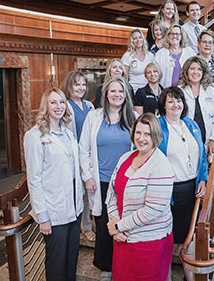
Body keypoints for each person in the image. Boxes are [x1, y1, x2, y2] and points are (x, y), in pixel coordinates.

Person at [79, 77, 137, 281]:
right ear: (105, 94)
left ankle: (126, 264)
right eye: (113, 91)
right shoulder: (94, 117)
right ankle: (106, 266)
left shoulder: (133, 117)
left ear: (126, 94)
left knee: (125, 223)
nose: (117, 94)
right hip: (101, 181)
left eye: (121, 91)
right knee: (104, 224)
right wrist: (87, 177)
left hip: (126, 182)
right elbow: (83, 149)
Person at [106, 113, 174, 281]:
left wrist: (119, 226)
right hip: (123, 240)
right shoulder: (125, 157)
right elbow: (111, 193)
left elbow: (153, 209)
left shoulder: (161, 165)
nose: (141, 138)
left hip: (149, 244)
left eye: (147, 134)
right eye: (138, 133)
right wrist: (113, 224)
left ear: (155, 136)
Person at [24, 87, 84, 281]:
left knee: (71, 258)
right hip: (54, 210)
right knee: (56, 262)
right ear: (45, 106)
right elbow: (34, 179)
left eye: (62, 102)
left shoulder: (67, 131)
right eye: (53, 102)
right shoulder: (35, 136)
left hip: (74, 207)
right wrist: (42, 216)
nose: (59, 106)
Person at [157, 86, 208, 281]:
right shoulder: (158, 126)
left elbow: (202, 154)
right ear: (163, 105)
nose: (175, 105)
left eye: (178, 101)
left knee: (188, 239)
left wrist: (202, 178)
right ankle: (165, 276)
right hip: (169, 191)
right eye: (170, 101)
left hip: (191, 191)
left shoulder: (191, 124)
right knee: (167, 238)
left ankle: (189, 277)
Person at [61, 71, 96, 243]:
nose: (81, 88)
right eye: (77, 84)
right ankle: (85, 227)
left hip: (90, 156)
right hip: (75, 158)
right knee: (81, 194)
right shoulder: (65, 106)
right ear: (69, 86)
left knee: (92, 191)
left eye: (83, 84)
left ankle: (93, 221)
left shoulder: (89, 105)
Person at [178, 56, 214, 158]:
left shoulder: (210, 91)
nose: (195, 72)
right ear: (186, 71)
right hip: (185, 142)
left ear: (203, 72)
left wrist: (213, 139)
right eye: (192, 68)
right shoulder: (179, 91)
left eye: (199, 69)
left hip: (207, 143)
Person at [154, 24, 196, 88]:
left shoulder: (189, 52)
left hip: (186, 90)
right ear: (168, 36)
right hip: (166, 90)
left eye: (177, 34)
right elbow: (155, 73)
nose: (174, 36)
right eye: (172, 34)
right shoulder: (161, 53)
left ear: (181, 36)